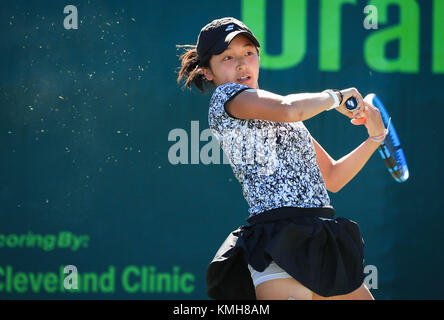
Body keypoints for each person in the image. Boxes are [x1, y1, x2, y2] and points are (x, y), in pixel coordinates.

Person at [176, 17, 386, 300]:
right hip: (279, 241)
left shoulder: (285, 116)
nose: (241, 64)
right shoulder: (227, 97)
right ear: (208, 71)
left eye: (248, 53)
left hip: (322, 236)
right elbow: (289, 108)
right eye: (227, 57)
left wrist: (375, 139)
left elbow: (333, 176)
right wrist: (335, 97)